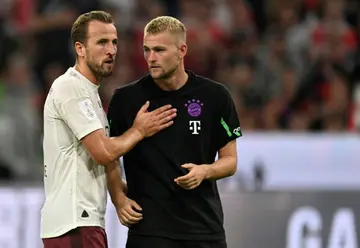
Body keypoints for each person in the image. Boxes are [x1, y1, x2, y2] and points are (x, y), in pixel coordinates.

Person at [40, 11, 177, 248]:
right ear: (80, 49)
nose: (111, 50)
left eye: (114, 42)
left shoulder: (88, 93)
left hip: (81, 223)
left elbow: (98, 163)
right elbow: (103, 152)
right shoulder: (71, 88)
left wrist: (134, 191)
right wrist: (139, 130)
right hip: (75, 223)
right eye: (102, 42)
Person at [107, 16, 242, 248]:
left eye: (159, 50)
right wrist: (118, 198)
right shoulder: (126, 99)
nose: (151, 58)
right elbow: (109, 156)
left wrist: (205, 171)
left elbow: (230, 161)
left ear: (182, 50)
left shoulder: (215, 96)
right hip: (149, 231)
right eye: (146, 50)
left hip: (203, 230)